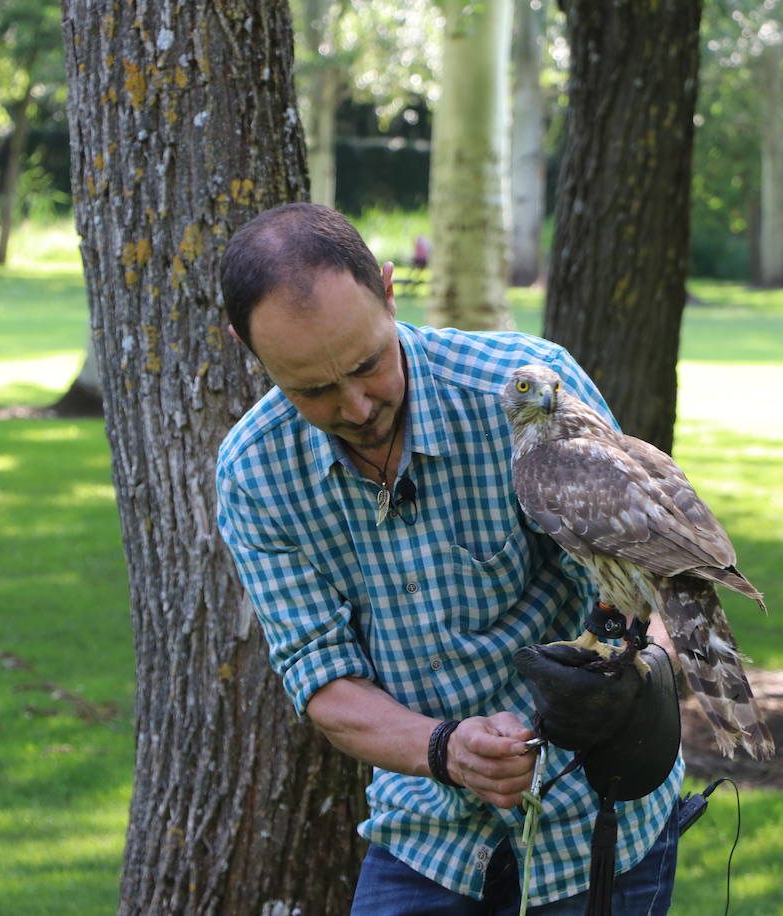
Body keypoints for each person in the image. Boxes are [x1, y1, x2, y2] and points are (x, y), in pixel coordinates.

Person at [215, 203, 684, 914]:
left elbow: (647, 584)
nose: (358, 405)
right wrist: (447, 749)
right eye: (312, 390)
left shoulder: (527, 394)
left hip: (594, 821)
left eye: (368, 364)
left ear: (390, 290)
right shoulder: (255, 472)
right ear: (246, 347)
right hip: (426, 831)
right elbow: (321, 679)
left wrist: (639, 676)